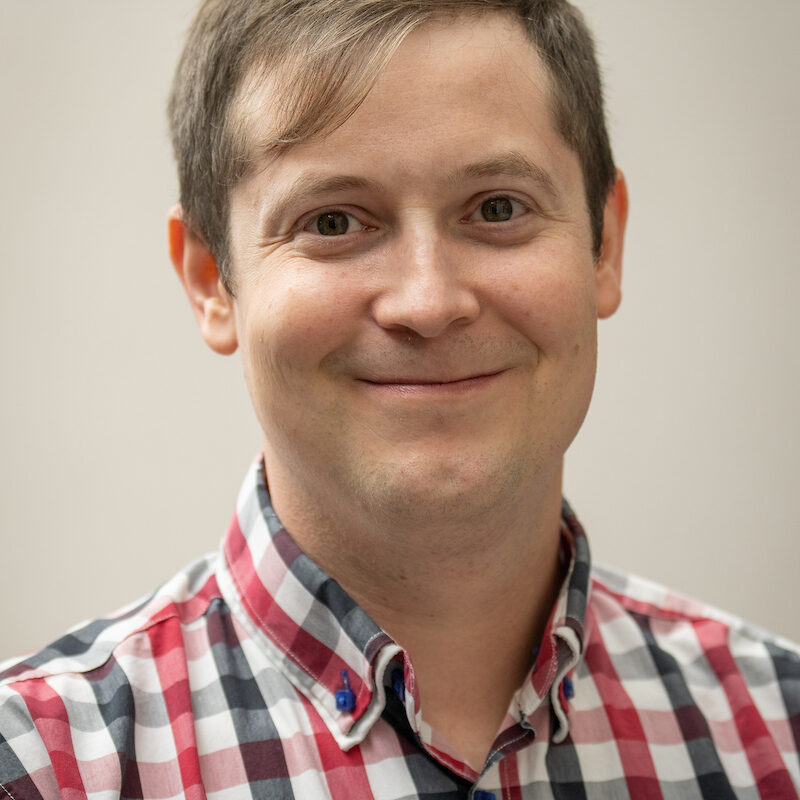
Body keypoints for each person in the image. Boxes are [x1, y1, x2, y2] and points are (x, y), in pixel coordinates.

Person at [1, 0, 798, 797]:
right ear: (212, 279)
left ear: (605, 243)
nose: (427, 301)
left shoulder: (781, 731)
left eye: (497, 208)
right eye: (335, 220)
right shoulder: (38, 767)